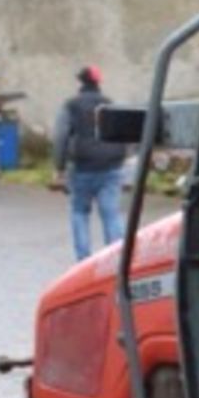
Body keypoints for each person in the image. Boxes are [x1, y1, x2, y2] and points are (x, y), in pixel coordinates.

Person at [51, 65, 129, 260]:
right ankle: (116, 257)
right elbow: (123, 135)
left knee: (80, 212)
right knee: (111, 213)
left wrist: (58, 168)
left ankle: (83, 259)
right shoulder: (109, 104)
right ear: (98, 83)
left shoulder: (71, 105)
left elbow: (61, 136)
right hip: (111, 167)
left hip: (82, 168)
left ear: (81, 82)